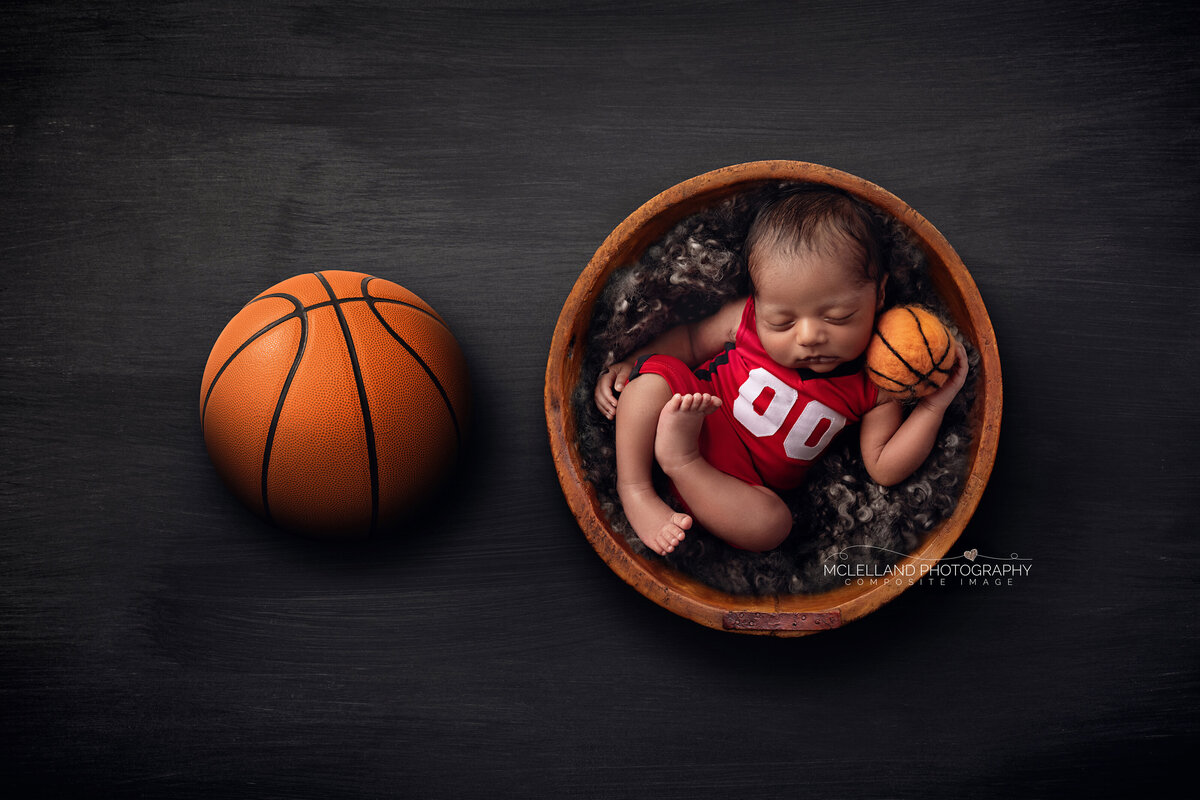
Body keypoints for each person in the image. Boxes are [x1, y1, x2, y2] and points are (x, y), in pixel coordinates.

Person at [594, 187, 968, 556]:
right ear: (758, 304)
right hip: (695, 407)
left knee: (774, 525)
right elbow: (691, 342)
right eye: (782, 322)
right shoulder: (746, 320)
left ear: (879, 295)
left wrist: (932, 407)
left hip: (732, 489)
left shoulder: (875, 385)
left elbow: (884, 467)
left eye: (838, 317)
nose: (808, 337)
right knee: (652, 382)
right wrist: (632, 363)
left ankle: (680, 462)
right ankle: (637, 490)